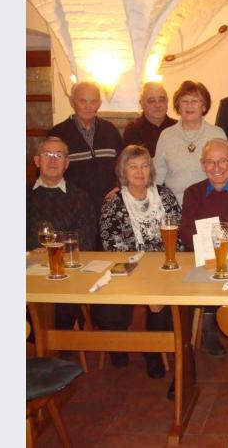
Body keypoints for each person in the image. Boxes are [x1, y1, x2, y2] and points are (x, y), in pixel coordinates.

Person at [98, 145, 183, 382]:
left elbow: (181, 234)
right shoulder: (113, 202)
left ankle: (153, 352)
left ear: (151, 169)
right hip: (131, 267)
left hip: (165, 265)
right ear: (123, 170)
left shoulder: (165, 195)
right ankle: (128, 346)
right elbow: (111, 245)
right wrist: (142, 267)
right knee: (112, 304)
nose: (139, 171)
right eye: (133, 166)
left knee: (164, 295)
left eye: (145, 165)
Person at [179, 138, 228, 357]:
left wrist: (226, 248)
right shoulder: (192, 192)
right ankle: (206, 327)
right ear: (202, 165)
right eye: (210, 162)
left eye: (222, 161)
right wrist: (212, 250)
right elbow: (186, 230)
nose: (216, 168)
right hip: (203, 258)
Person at [26, 136, 97, 331]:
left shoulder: (80, 197)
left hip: (67, 272)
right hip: (27, 269)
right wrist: (32, 252)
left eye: (59, 155)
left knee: (62, 313)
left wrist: (53, 253)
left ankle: (57, 348)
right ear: (37, 160)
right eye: (47, 154)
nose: (53, 160)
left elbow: (86, 239)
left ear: (67, 163)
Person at [48, 81, 124, 215]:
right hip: (72, 209)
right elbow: (48, 171)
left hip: (110, 208)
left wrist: (120, 187)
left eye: (93, 101)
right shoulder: (58, 134)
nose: (88, 107)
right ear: (72, 102)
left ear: (99, 103)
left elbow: (124, 164)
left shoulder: (110, 130)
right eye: (83, 101)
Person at [154, 80, 228, 205]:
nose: (189, 105)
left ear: (204, 106)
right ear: (178, 106)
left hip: (210, 206)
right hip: (174, 208)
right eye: (185, 101)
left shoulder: (217, 134)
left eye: (195, 101)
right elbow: (156, 177)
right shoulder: (166, 136)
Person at [123, 82, 176, 157]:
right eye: (151, 101)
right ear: (141, 104)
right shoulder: (133, 130)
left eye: (161, 100)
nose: (157, 105)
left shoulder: (177, 127)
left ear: (167, 101)